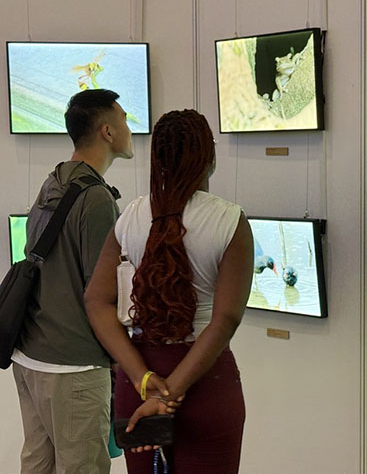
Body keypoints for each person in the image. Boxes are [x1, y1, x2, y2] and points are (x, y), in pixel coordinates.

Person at [85, 109, 254, 473]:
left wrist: (144, 380)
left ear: (156, 159)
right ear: (208, 157)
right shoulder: (229, 220)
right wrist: (171, 392)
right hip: (207, 383)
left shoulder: (131, 215)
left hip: (139, 386)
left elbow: (96, 301)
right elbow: (225, 319)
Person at [12, 89, 134, 473]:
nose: (129, 127)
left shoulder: (55, 181)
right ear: (107, 132)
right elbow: (101, 294)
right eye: (124, 119)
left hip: (30, 354)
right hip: (73, 367)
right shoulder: (96, 199)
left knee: (38, 464)